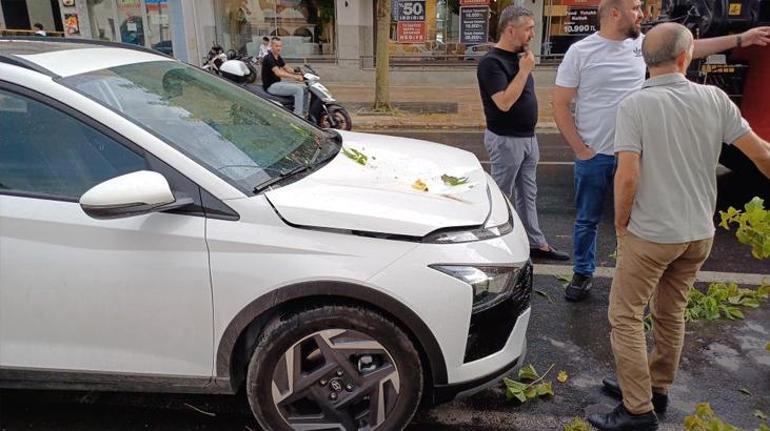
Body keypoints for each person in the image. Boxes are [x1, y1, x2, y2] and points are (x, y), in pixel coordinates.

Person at [587, 22, 770, 431]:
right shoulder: (715, 99)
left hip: (651, 234)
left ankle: (637, 410)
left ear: (646, 62)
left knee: (626, 316)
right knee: (671, 313)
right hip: (698, 234)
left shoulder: (635, 105)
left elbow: (627, 176)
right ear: (686, 57)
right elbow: (760, 153)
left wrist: (621, 222)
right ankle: (656, 387)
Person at [552, 0, 770, 302]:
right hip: (596, 154)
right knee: (587, 219)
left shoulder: (644, 46)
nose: (643, 14)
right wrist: (580, 148)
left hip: (638, 154)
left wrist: (740, 39)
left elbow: (690, 45)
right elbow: (560, 103)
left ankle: (630, 273)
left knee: (638, 221)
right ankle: (582, 273)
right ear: (615, 13)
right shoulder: (580, 52)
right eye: (636, 8)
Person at [476, 5, 569, 261]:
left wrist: (524, 68)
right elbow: (504, 102)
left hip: (528, 138)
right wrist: (525, 70)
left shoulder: (521, 58)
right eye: (528, 29)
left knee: (528, 193)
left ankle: (535, 243)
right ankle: (494, 245)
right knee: (501, 196)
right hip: (506, 140)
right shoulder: (491, 63)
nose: (532, 34)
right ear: (510, 30)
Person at [261, 37, 309, 117]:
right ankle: (298, 117)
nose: (279, 48)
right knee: (298, 90)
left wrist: (298, 71)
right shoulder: (268, 58)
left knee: (305, 88)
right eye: (276, 46)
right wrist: (295, 77)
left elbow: (288, 68)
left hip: (278, 83)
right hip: (271, 86)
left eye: (280, 46)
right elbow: (278, 72)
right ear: (271, 46)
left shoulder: (278, 57)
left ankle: (305, 113)